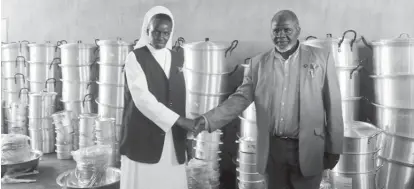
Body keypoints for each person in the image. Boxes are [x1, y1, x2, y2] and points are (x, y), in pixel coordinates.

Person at [194, 10, 344, 189]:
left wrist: (335, 148)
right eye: (276, 30)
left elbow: (333, 105)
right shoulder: (258, 63)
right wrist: (206, 120)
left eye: (286, 30)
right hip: (273, 151)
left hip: (309, 148)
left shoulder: (321, 58)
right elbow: (239, 99)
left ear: (298, 30)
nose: (281, 35)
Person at [119, 6, 195, 189]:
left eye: (166, 33)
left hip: (172, 135)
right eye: (156, 32)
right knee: (145, 180)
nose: (161, 37)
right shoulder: (135, 58)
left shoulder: (177, 58)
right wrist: (179, 120)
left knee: (169, 179)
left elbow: (185, 94)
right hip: (143, 133)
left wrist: (190, 129)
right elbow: (142, 99)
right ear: (147, 31)